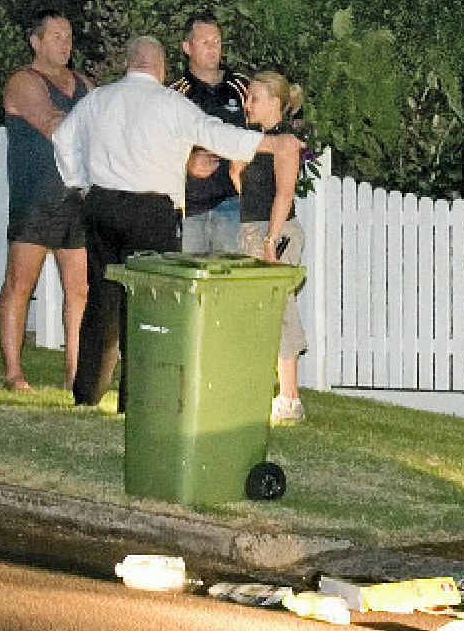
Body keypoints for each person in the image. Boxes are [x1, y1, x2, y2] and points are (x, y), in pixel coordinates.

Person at [53, 36, 302, 408]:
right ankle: (137, 400)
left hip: (103, 204)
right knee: (149, 304)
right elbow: (215, 134)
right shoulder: (170, 103)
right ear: (161, 66)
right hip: (152, 212)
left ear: (129, 62)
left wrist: (80, 185)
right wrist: (268, 145)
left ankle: (87, 394)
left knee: (103, 299)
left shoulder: (98, 100)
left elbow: (62, 138)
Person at [0, 9, 93, 393]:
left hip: (78, 200)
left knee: (81, 289)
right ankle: (14, 373)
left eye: (68, 36)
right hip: (36, 198)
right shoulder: (24, 82)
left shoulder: (85, 83)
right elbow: (54, 125)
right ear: (35, 42)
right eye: (56, 36)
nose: (65, 43)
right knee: (21, 284)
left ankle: (74, 372)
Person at [231, 71, 308, 425]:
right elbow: (242, 185)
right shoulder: (255, 141)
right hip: (252, 231)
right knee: (256, 313)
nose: (247, 105)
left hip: (276, 233)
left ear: (276, 103)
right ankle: (264, 390)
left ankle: (289, 398)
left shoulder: (286, 143)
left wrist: (270, 242)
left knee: (278, 310)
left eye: (255, 98)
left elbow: (284, 194)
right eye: (247, 98)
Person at [170, 12, 248, 253]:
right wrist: (187, 163)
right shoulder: (174, 94)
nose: (213, 48)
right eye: (205, 43)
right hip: (190, 209)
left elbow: (266, 136)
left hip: (233, 206)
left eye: (217, 42)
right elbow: (154, 147)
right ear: (187, 47)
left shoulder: (243, 88)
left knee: (230, 284)